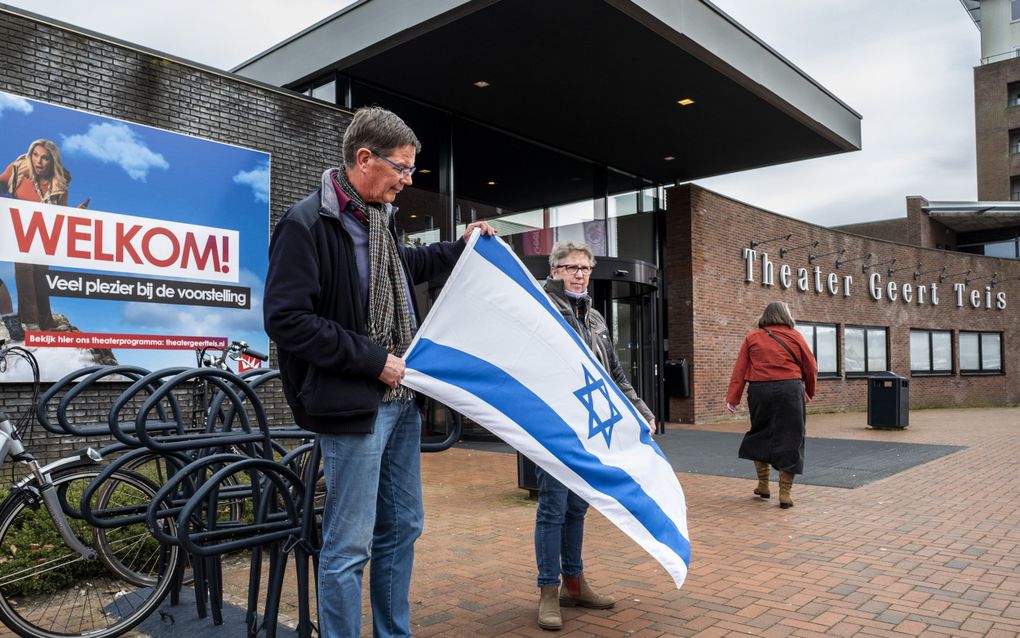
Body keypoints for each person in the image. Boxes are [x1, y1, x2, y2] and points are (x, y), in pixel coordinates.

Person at [263, 106, 494, 638]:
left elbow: (408, 267)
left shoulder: (381, 223)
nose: (408, 181)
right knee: (349, 543)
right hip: (352, 407)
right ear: (364, 159)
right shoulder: (306, 224)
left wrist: (464, 249)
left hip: (400, 404)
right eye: (402, 168)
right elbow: (286, 320)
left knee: (403, 527)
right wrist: (375, 360)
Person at [534, 240, 656, 631]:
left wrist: (640, 410)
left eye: (584, 268)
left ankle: (575, 581)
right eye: (570, 268)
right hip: (552, 426)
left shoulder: (597, 318)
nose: (579, 274)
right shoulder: (539, 308)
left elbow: (614, 375)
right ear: (555, 271)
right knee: (552, 508)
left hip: (589, 430)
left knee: (577, 507)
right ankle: (548, 591)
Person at [725, 301, 817, 509]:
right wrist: (809, 391)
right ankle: (785, 494)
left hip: (760, 391)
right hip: (790, 390)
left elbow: (740, 370)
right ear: (786, 315)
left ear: (764, 316)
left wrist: (733, 398)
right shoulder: (796, 337)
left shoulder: (752, 337)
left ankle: (763, 485)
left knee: (760, 433)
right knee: (792, 437)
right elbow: (810, 367)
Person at [0, 139, 71, 340]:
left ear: (52, 161)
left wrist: (77, 214)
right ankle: (30, 323)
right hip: (19, 228)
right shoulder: (18, 169)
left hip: (43, 233)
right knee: (24, 271)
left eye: (45, 157)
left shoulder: (59, 183)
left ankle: (45, 320)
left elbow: (63, 213)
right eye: (36, 155)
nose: (39, 161)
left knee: (41, 276)